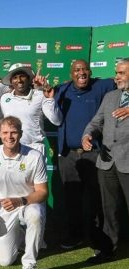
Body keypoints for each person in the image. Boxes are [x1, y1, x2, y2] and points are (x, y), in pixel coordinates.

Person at [0, 116, 48, 269]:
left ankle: (29, 266)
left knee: (35, 215)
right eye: (5, 132)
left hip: (28, 203)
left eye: (13, 132)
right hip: (5, 208)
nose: (9, 137)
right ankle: (23, 235)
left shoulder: (34, 156)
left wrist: (20, 200)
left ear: (21, 134)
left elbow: (43, 192)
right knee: (5, 261)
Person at [55, 59, 115, 249]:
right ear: (71, 74)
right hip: (68, 156)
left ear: (90, 72)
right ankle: (75, 236)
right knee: (71, 198)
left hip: (94, 153)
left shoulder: (101, 85)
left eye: (85, 69)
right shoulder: (61, 90)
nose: (81, 73)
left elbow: (122, 80)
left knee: (97, 198)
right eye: (77, 70)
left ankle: (98, 239)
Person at [81, 58, 129, 263]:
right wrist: (87, 135)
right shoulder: (110, 96)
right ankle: (108, 249)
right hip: (107, 162)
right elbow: (96, 122)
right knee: (109, 209)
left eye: (121, 73)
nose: (116, 77)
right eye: (117, 72)